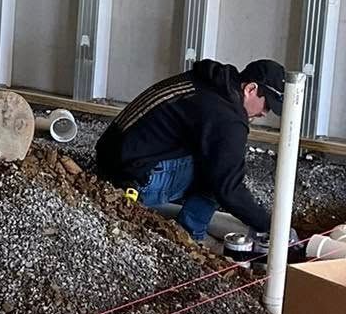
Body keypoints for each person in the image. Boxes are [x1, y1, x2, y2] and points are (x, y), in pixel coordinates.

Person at [95, 58, 286, 248]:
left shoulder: (208, 82)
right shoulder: (228, 118)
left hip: (110, 160)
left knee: (216, 160)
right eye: (266, 105)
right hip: (133, 179)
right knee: (220, 173)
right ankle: (189, 238)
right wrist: (271, 226)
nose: (264, 113)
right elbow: (229, 189)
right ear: (250, 89)